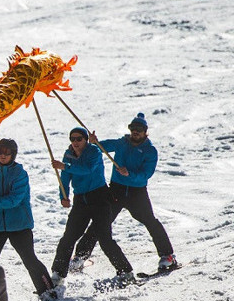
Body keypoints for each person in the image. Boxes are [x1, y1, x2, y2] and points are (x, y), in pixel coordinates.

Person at [71, 113, 177, 271]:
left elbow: (146, 174)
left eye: (139, 129)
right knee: (100, 223)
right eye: (133, 128)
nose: (135, 132)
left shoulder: (150, 151)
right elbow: (101, 147)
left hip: (137, 193)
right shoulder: (122, 143)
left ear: (145, 132)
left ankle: (167, 256)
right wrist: (93, 142)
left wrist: (129, 174)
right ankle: (80, 256)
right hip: (116, 190)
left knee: (150, 221)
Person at [50, 127, 134, 286]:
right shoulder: (68, 154)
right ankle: (58, 274)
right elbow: (65, 178)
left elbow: (87, 169)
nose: (75, 142)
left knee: (105, 239)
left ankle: (126, 272)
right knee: (68, 238)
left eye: (79, 139)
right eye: (72, 139)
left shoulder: (94, 151)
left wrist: (65, 166)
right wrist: (64, 196)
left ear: (86, 140)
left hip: (99, 199)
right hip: (81, 201)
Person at [0, 139, 58, 301]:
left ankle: (48, 293)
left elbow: (14, 200)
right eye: (0, 151)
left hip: (20, 225)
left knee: (29, 259)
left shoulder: (20, 174)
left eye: (7, 152)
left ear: (13, 154)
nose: (3, 155)